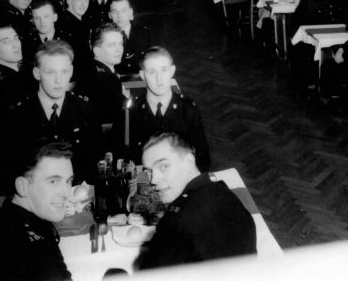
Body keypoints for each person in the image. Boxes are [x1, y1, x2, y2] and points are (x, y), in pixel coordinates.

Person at [0, 141, 74, 281]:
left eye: (68, 181)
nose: (66, 193)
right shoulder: (40, 258)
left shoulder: (3, 219)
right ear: (22, 187)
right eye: (54, 181)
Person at [134, 133, 256, 270]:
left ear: (189, 162)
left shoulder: (176, 223)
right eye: (149, 172)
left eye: (163, 166)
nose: (153, 180)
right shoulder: (224, 191)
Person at [2, 40, 102, 183]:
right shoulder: (18, 115)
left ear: (71, 71)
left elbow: (95, 162)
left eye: (64, 71)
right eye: (50, 72)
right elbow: (11, 168)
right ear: (37, 73)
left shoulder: (85, 110)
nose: (59, 80)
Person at [112, 47, 210, 171]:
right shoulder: (130, 111)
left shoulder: (188, 110)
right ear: (142, 75)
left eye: (164, 70)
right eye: (152, 72)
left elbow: (203, 160)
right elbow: (119, 156)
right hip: (143, 181)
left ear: (172, 71)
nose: (159, 79)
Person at [76, 23, 128, 126]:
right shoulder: (100, 78)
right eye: (112, 45)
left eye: (120, 43)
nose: (119, 49)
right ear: (97, 51)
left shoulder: (95, 71)